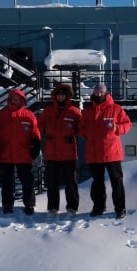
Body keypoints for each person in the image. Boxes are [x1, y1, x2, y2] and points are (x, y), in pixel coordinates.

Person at [78, 82, 131, 218]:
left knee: (116, 181)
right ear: (94, 93)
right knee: (97, 183)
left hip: (111, 152)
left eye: (101, 91)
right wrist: (87, 134)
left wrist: (117, 128)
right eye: (97, 92)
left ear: (106, 93)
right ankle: (98, 207)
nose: (99, 94)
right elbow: (81, 128)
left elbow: (127, 124)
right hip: (94, 153)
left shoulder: (116, 109)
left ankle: (120, 208)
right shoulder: (88, 112)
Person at [37, 82, 82, 218]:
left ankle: (72, 207)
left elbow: (82, 127)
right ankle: (52, 208)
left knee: (71, 183)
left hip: (69, 152)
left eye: (63, 94)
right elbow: (39, 125)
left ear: (67, 96)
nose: (60, 97)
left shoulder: (74, 111)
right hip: (52, 152)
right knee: (52, 183)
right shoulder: (48, 111)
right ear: (55, 96)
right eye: (58, 94)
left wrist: (75, 130)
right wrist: (44, 131)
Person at [0, 88, 41, 215]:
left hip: (24, 154)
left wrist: (36, 144)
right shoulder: (0, 115)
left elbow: (35, 132)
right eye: (13, 98)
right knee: (7, 181)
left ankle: (29, 204)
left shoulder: (29, 115)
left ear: (22, 100)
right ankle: (7, 205)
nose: (16, 100)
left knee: (27, 181)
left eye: (18, 98)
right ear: (9, 99)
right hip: (5, 153)